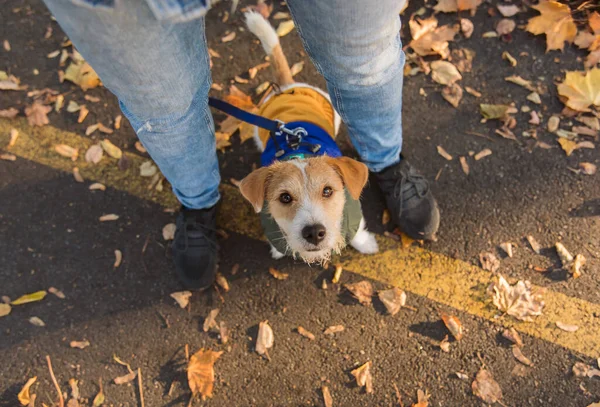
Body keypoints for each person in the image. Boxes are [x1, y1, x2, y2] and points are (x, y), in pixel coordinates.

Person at [43, 0, 440, 289]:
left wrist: (354, 232)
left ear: (347, 182)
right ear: (263, 196)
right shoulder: (271, 179)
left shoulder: (340, 170)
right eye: (285, 199)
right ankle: (198, 203)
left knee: (363, 52)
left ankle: (384, 162)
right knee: (162, 103)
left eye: (328, 193)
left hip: (307, 109)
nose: (314, 221)